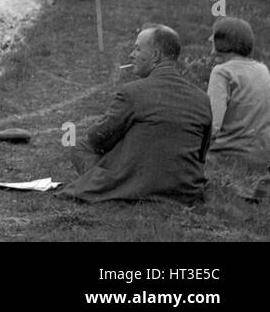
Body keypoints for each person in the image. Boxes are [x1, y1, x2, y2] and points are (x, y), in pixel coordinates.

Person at [59, 25, 212, 204]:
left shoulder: (133, 92)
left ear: (155, 56)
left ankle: (113, 184)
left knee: (81, 146)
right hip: (184, 189)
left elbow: (97, 138)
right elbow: (202, 153)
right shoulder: (202, 98)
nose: (132, 55)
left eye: (137, 49)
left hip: (138, 186)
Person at [205, 17, 270, 180]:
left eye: (213, 35)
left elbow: (212, 126)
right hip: (260, 158)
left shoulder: (221, 72)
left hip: (227, 157)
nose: (209, 39)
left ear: (224, 41)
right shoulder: (262, 69)